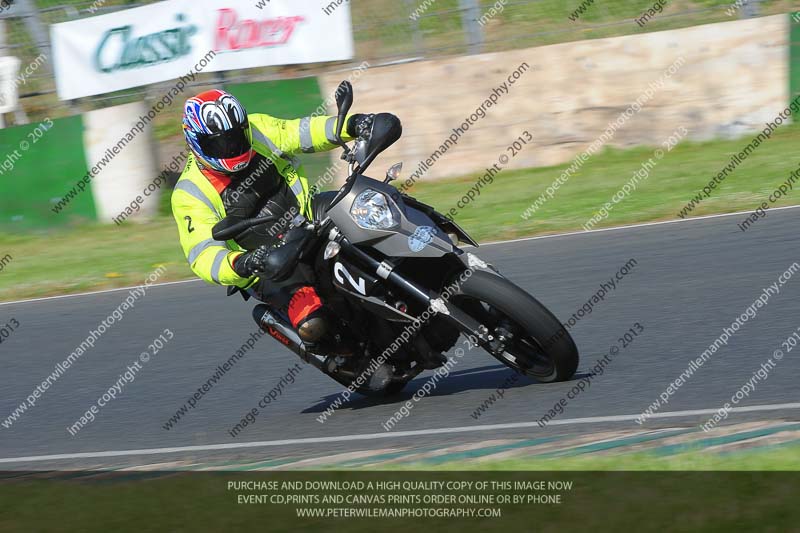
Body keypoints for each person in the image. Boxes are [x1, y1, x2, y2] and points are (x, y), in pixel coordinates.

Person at [171, 89, 384, 349]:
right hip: (265, 262)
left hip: (307, 216)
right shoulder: (189, 192)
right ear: (194, 141)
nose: (232, 147)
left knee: (369, 206)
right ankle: (348, 354)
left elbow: (303, 131)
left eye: (237, 137)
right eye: (219, 143)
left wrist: (352, 125)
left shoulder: (259, 129)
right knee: (312, 324)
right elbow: (202, 254)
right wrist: (242, 263)